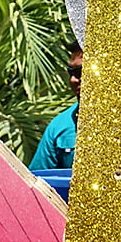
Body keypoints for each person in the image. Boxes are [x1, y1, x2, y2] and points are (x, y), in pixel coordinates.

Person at [29, 41, 82, 171]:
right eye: (71, 72)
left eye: (80, 72)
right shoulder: (59, 126)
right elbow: (39, 180)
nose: (73, 80)